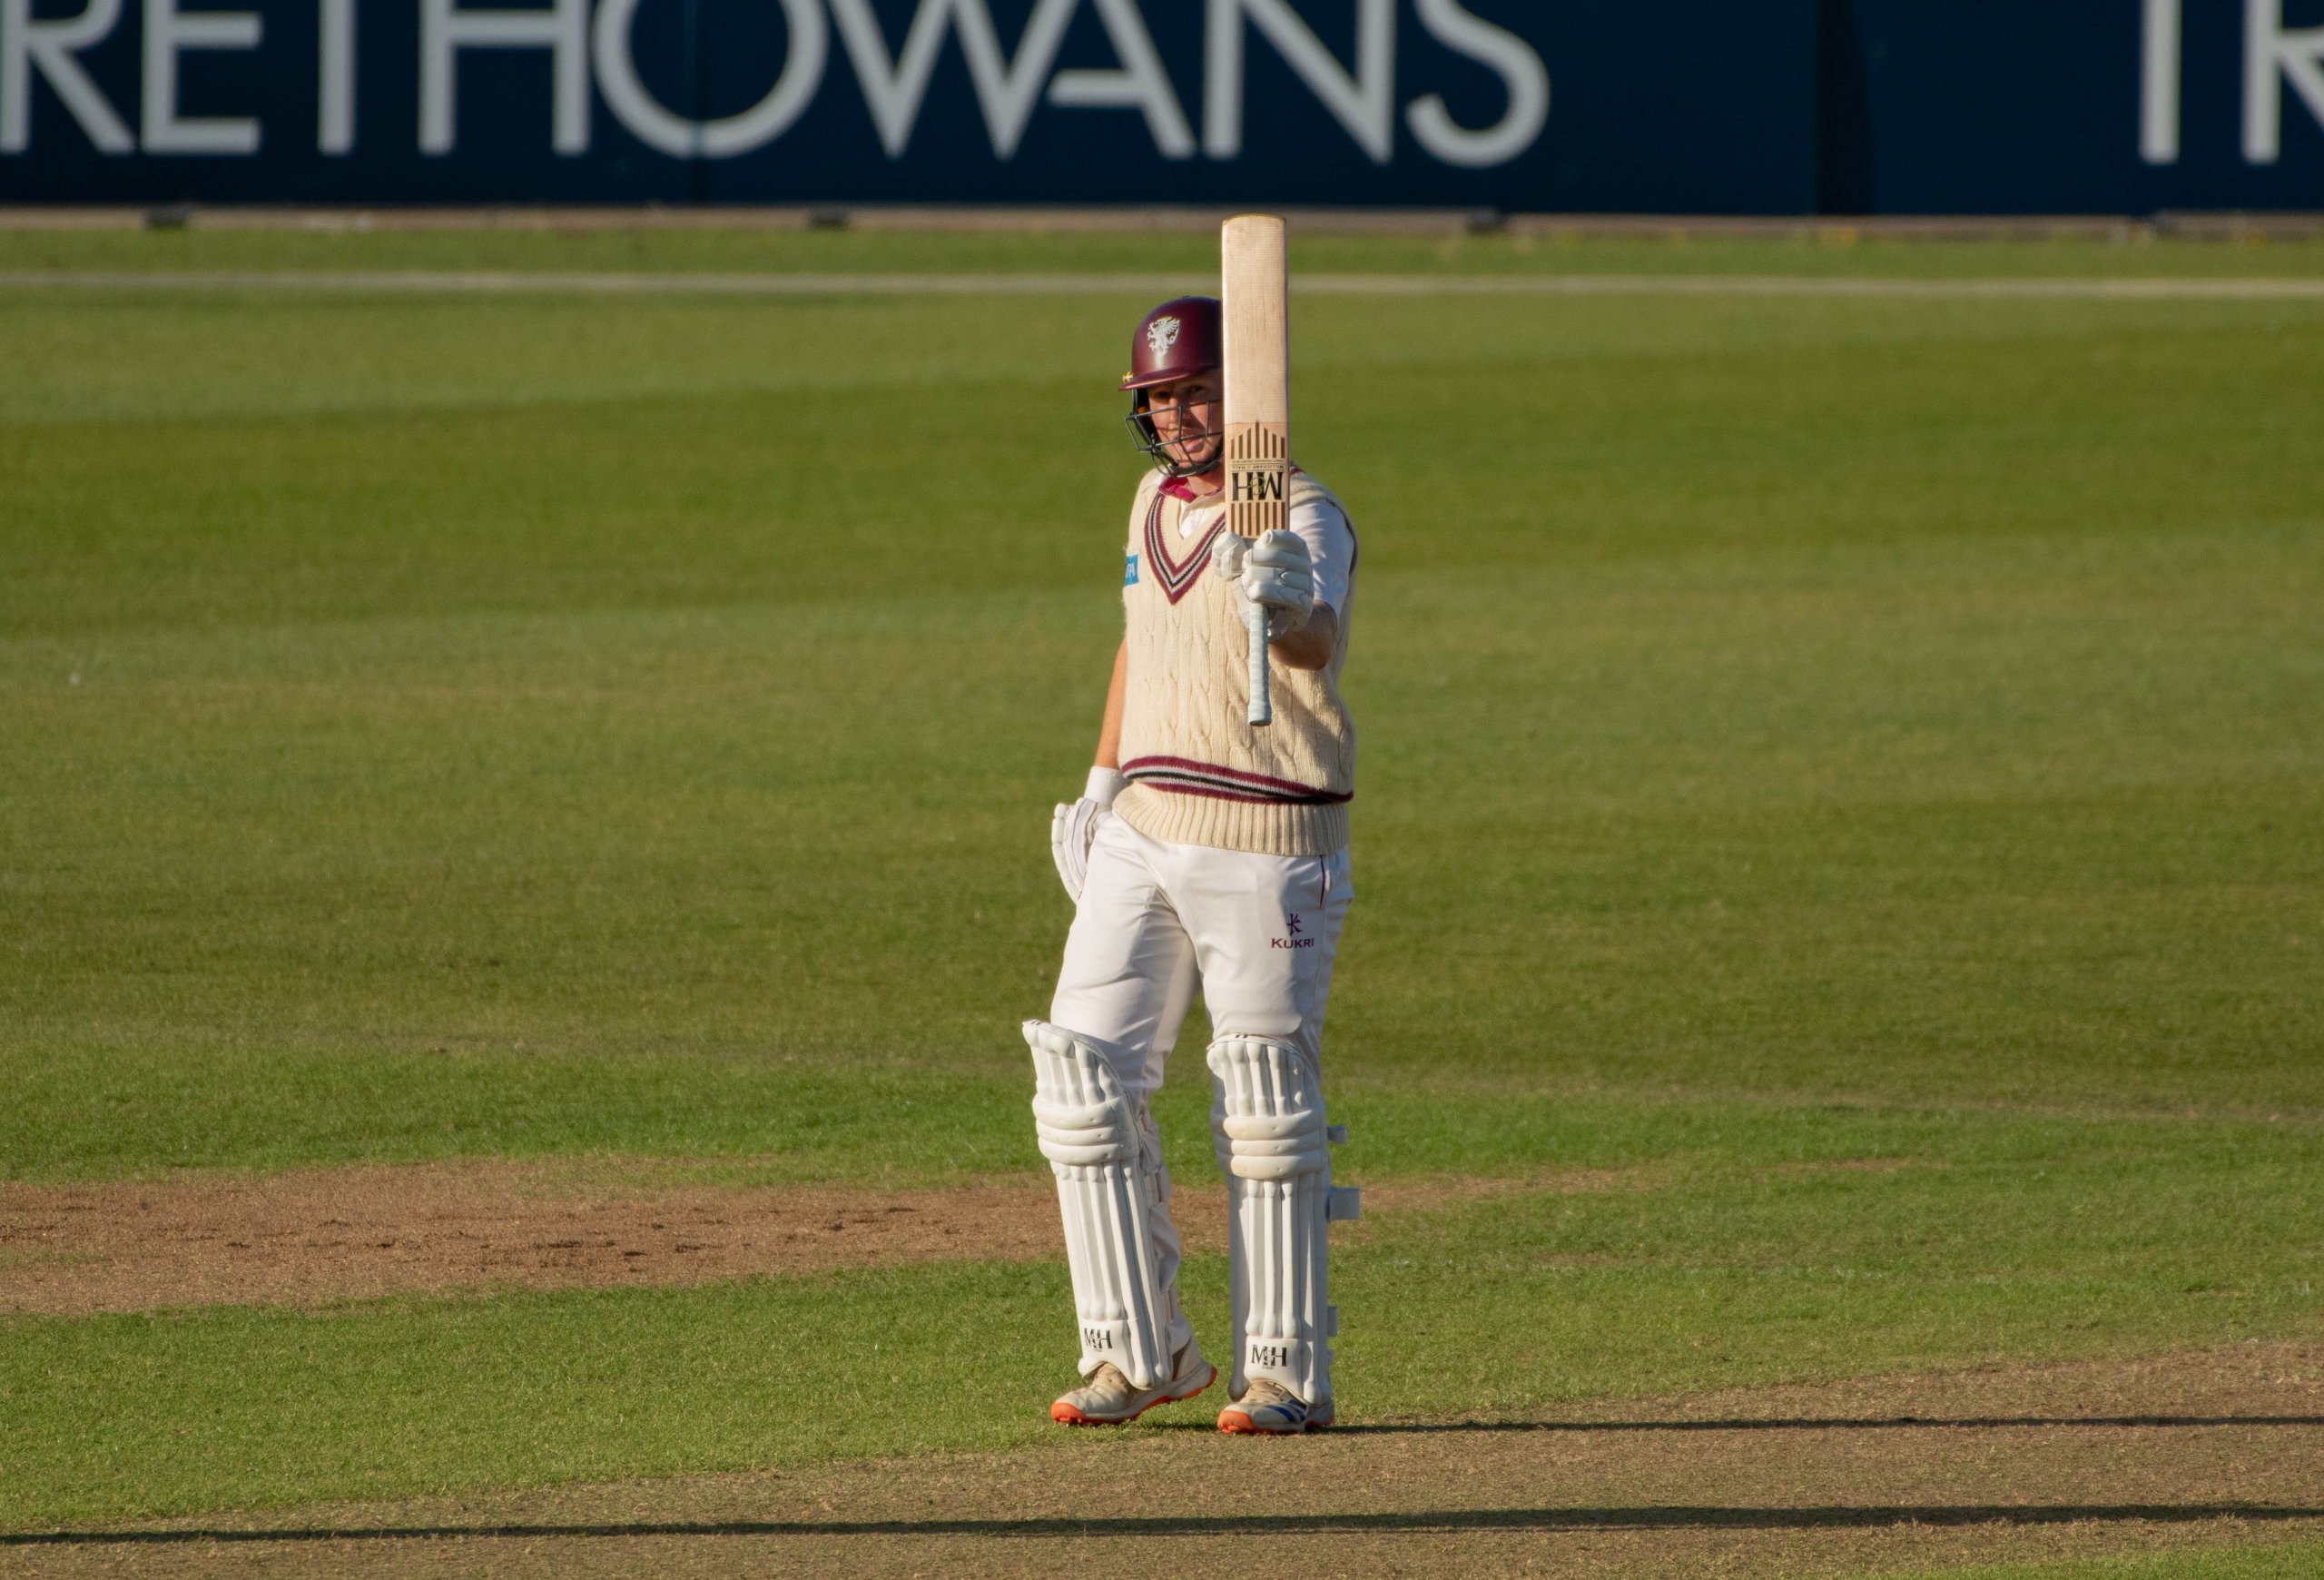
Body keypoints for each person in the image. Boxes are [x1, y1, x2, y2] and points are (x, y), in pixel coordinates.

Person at [1024, 294, 1361, 1437]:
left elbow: (1314, 640)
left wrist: (1284, 601)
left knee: (1262, 1104)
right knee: (1081, 1082)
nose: (1176, 417)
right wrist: (1101, 784)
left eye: (1197, 393)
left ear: (1246, 396)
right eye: (1160, 398)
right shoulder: (1151, 500)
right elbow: (1140, 636)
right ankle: (1138, 1351)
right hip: (1144, 824)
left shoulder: (1303, 512)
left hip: (1265, 838)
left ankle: (1284, 1375)